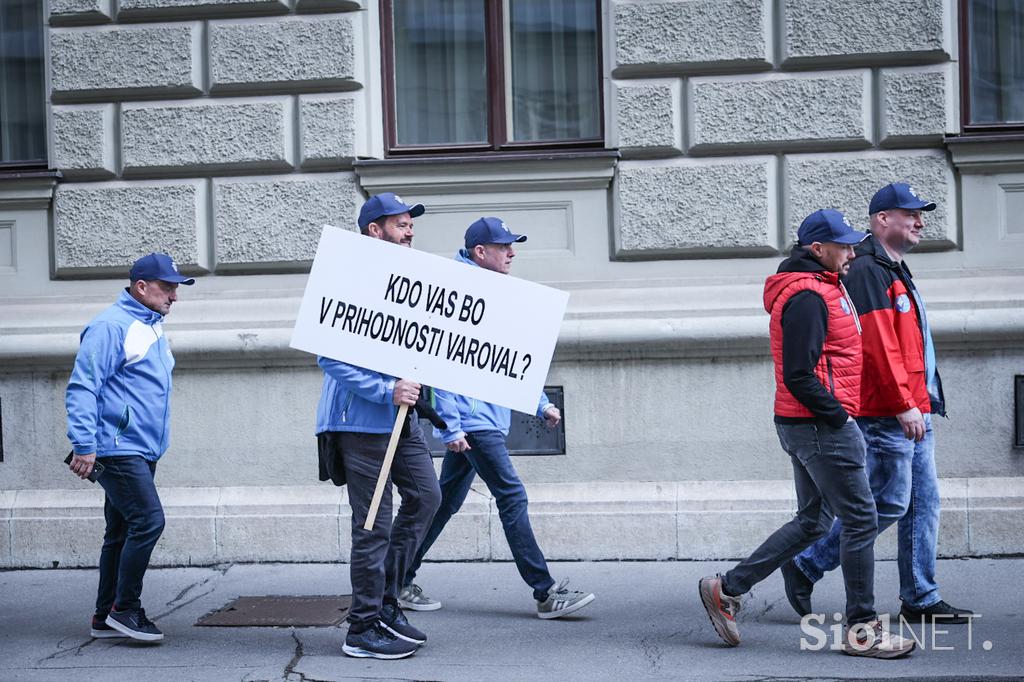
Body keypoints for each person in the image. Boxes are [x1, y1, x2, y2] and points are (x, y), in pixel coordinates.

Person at [698, 210, 915, 658]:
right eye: (844, 245)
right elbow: (799, 373)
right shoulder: (807, 297)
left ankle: (727, 588)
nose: (852, 252)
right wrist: (840, 419)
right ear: (818, 249)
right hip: (818, 426)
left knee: (815, 521)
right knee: (860, 519)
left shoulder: (822, 288)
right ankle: (863, 630)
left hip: (808, 424)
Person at [782, 183, 973, 624]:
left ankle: (920, 596)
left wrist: (921, 401)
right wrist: (904, 403)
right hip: (889, 411)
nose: (921, 221)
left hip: (913, 407)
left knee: (921, 504)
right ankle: (808, 562)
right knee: (886, 504)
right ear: (882, 219)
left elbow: (909, 344)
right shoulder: (869, 269)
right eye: (911, 213)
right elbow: (879, 347)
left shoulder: (894, 267)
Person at [399, 217, 595, 620]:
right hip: (473, 422)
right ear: (479, 252)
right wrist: (450, 426)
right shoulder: (459, 293)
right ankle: (545, 592)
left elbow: (513, 360)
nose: (512, 252)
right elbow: (442, 364)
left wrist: (541, 404)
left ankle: (396, 578)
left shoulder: (497, 294)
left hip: (481, 419)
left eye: (512, 245)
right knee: (512, 496)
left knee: (445, 503)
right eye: (504, 246)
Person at [315, 192, 442, 659]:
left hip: (401, 419)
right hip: (362, 423)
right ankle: (362, 627)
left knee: (427, 497)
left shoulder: (407, 279)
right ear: (374, 230)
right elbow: (328, 355)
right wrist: (385, 389)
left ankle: (386, 601)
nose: (410, 230)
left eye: (411, 223)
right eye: (401, 224)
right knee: (373, 525)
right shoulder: (349, 278)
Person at [66, 253, 195, 642]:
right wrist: (84, 445)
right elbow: (83, 386)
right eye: (167, 287)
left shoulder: (149, 324)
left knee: (120, 531)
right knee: (149, 521)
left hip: (140, 447)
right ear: (142, 287)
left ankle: (104, 616)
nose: (174, 296)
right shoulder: (110, 326)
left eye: (176, 287)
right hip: (116, 447)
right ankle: (126, 609)